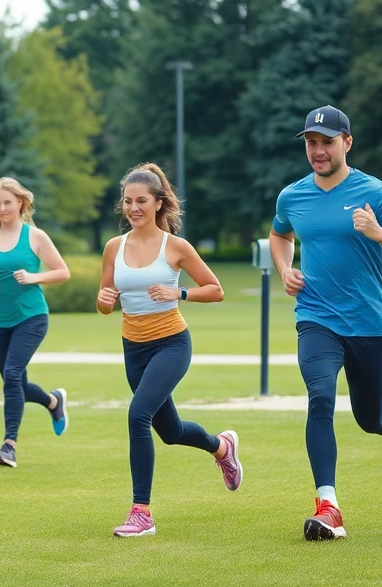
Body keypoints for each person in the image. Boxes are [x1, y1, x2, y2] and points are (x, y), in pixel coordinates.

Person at [268, 105, 382, 541]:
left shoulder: (376, 193)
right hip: (316, 317)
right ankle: (328, 506)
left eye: (327, 142)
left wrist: (380, 234)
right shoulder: (292, 196)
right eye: (311, 143)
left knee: (368, 416)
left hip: (368, 324)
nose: (318, 151)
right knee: (320, 399)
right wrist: (284, 269)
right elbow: (279, 235)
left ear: (347, 143)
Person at [97, 163, 242, 538]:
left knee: (137, 416)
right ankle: (221, 447)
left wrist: (179, 292)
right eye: (128, 201)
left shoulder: (175, 247)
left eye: (141, 200)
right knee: (171, 431)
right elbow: (105, 304)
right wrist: (103, 299)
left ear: (159, 203)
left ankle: (140, 512)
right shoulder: (114, 247)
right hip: (134, 347)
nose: (133, 208)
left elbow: (216, 289)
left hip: (171, 343)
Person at [0, 177, 72, 468]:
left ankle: (9, 445)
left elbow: (62, 272)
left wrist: (34, 277)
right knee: (16, 382)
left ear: (21, 203)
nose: (2, 208)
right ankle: (53, 402)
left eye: (7, 202)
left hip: (32, 316)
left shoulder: (35, 236)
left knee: (12, 375)